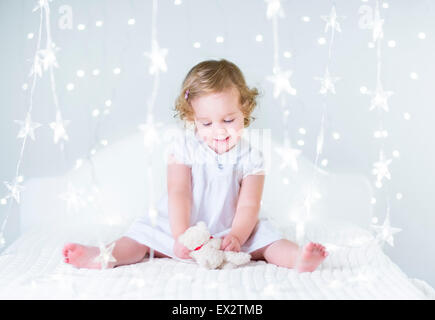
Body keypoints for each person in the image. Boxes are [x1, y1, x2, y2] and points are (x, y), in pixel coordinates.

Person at [62, 59, 328, 272]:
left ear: (244, 111)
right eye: (206, 123)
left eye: (228, 119)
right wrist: (181, 235)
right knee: (140, 238)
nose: (219, 131)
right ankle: (102, 255)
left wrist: (236, 235)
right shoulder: (183, 150)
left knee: (268, 240)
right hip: (181, 224)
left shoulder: (252, 157)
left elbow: (249, 205)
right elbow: (179, 192)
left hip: (232, 227)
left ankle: (298, 258)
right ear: (193, 119)